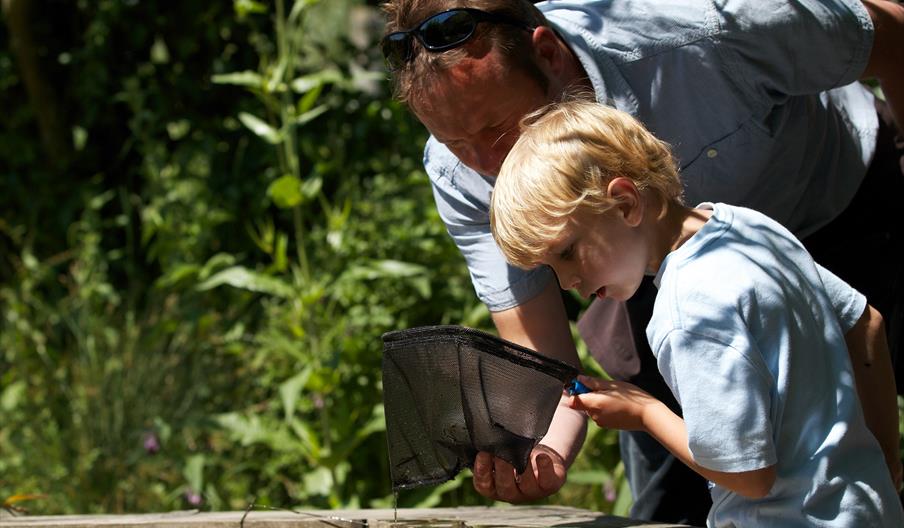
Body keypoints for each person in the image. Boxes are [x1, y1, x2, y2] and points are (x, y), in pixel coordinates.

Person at [380, 0, 904, 523]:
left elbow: (749, 473)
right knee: (668, 502)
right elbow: (547, 362)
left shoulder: (704, 29)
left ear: (549, 53)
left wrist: (649, 413)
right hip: (668, 250)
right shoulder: (731, 229)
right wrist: (546, 450)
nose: (489, 165)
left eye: (498, 128)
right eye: (454, 143)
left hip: (846, 198)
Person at [489, 98, 904, 527]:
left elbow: (748, 475)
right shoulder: (747, 227)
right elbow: (866, 322)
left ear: (625, 204)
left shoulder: (687, 312)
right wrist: (884, 460)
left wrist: (645, 414)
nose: (566, 282)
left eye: (568, 252)